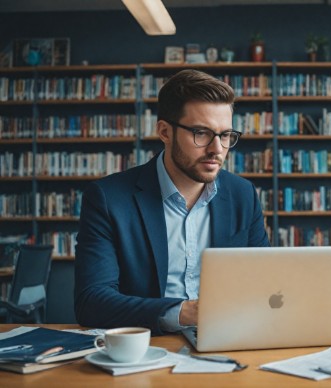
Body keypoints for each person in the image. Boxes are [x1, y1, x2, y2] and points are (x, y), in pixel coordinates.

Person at [74, 69, 270, 335]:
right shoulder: (108, 198)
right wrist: (186, 313)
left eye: (225, 135)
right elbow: (91, 301)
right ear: (165, 132)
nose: (217, 149)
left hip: (228, 339)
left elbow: (265, 283)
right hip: (149, 347)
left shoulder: (243, 194)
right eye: (201, 133)